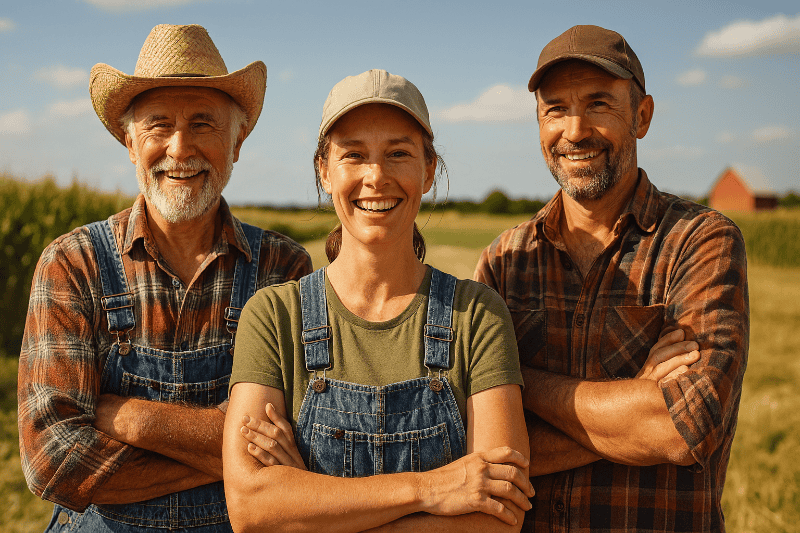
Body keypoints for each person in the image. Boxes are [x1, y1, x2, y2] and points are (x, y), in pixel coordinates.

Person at [17, 24, 311, 532]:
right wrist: (232, 459)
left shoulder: (283, 270)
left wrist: (133, 420)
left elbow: (303, 443)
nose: (180, 148)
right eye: (158, 126)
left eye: (204, 124)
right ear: (131, 144)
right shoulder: (73, 263)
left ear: (236, 144)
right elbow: (53, 460)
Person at [222, 69, 535, 532]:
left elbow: (497, 518)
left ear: (428, 170)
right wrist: (431, 489)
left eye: (398, 153)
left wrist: (310, 502)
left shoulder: (478, 315)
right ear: (324, 172)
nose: (376, 176)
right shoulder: (273, 316)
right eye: (353, 155)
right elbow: (251, 507)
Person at [474, 25, 749, 532]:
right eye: (556, 109)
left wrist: (517, 383)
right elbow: (479, 456)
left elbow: (680, 429)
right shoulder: (503, 262)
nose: (574, 130)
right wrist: (633, 397)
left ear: (641, 116)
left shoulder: (701, 242)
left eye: (599, 104)